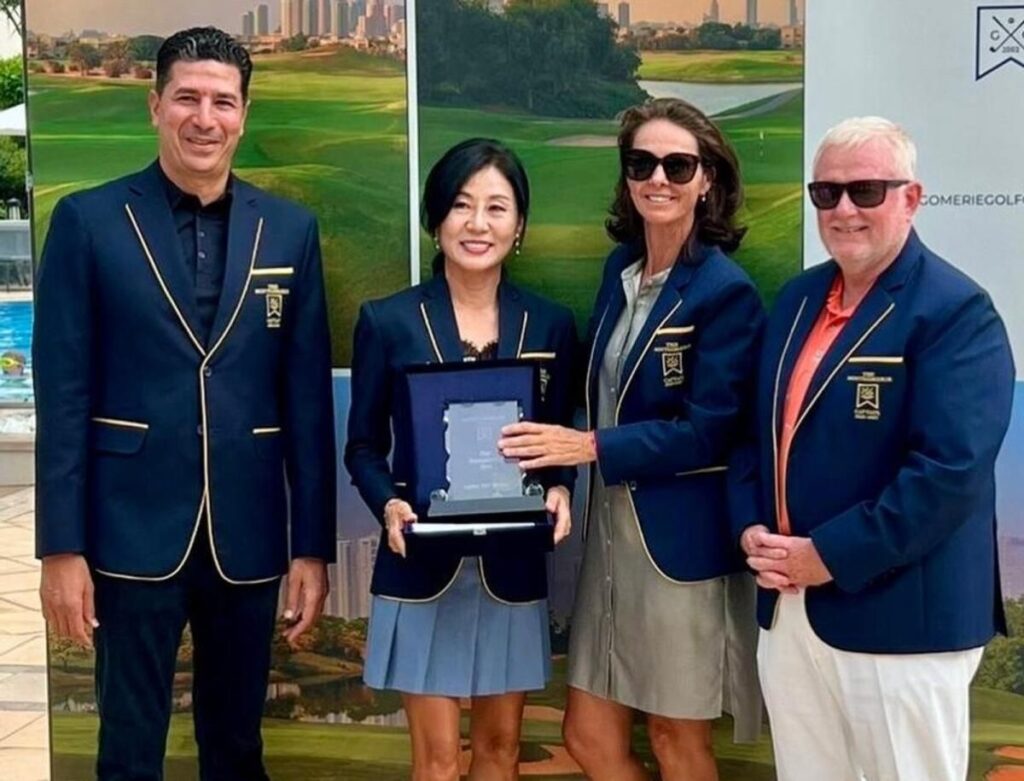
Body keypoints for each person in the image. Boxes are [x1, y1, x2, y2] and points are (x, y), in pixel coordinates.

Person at [34, 27, 336, 780]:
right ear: (155, 105)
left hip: (248, 530)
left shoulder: (290, 230)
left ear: (244, 113)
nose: (205, 118)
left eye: (223, 102)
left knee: (237, 748)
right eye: (187, 98)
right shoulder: (88, 221)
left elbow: (305, 401)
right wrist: (61, 549)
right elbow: (63, 397)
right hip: (129, 528)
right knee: (129, 749)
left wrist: (312, 548)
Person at [740, 116, 1014, 781]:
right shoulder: (798, 298)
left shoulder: (957, 311)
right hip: (791, 610)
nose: (843, 209)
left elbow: (947, 475)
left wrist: (826, 556)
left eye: (865, 191)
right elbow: (756, 437)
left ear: (911, 198)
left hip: (903, 623)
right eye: (826, 193)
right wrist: (751, 530)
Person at [499, 98, 764, 781]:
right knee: (588, 736)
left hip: (677, 551)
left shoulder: (725, 292)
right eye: (642, 163)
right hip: (609, 542)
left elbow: (708, 433)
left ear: (707, 179)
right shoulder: (620, 272)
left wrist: (589, 447)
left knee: (677, 741)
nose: (658, 178)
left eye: (678, 165)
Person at [345, 137, 577, 781]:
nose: (478, 224)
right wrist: (388, 503)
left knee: (501, 752)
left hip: (512, 564)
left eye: (496, 207)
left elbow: (561, 440)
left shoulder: (551, 325)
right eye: (461, 205)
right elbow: (362, 445)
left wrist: (561, 488)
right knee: (439, 762)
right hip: (420, 562)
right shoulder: (388, 321)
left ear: (519, 225)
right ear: (436, 219)